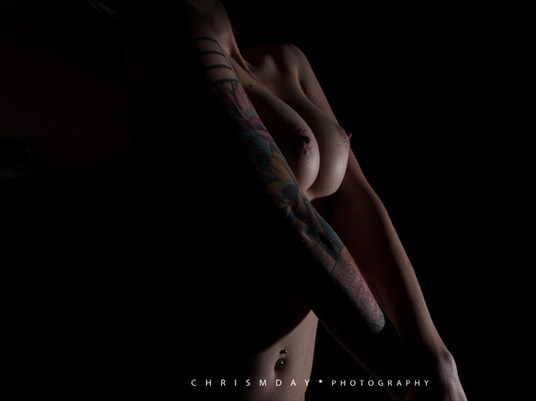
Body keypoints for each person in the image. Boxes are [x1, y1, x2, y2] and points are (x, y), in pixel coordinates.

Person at [91, 0, 469, 400]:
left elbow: (355, 201)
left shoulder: (288, 62)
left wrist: (434, 355)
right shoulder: (166, 32)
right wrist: (409, 382)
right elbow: (289, 221)